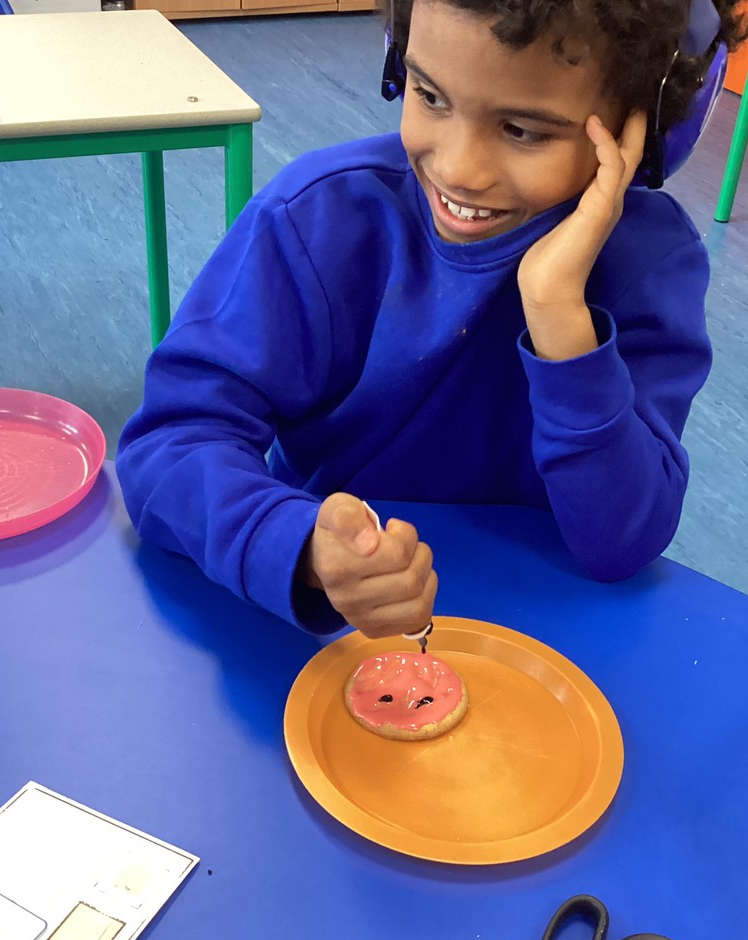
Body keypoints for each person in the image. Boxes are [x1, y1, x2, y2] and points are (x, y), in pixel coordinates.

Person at [116, 0, 745, 639]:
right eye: (430, 95)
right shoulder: (318, 220)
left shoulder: (652, 266)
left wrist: (560, 314)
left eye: (523, 130)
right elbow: (168, 446)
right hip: (337, 634)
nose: (457, 169)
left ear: (646, 125)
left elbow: (624, 539)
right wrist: (299, 547)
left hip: (549, 637)